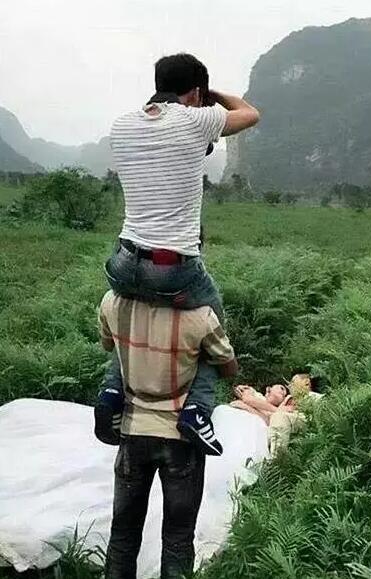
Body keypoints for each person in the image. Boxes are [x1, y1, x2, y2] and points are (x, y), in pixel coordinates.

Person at [98, 53, 260, 456]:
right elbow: (250, 114)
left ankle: (111, 392)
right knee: (211, 331)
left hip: (123, 263)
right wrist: (212, 96)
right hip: (173, 268)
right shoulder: (195, 119)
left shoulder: (122, 124)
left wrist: (197, 96)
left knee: (129, 323)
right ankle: (197, 410)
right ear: (196, 93)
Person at [97, 289, 238, 579]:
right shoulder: (201, 316)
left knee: (123, 533)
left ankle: (109, 395)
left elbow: (108, 345)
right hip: (180, 440)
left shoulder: (113, 302)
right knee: (178, 538)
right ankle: (194, 413)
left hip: (133, 432)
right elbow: (228, 367)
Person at [231, 374, 323, 455]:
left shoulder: (288, 407)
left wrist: (247, 407)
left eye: (293, 382)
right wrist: (277, 410)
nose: (287, 388)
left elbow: (271, 420)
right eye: (282, 388)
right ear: (268, 389)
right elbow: (247, 398)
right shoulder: (257, 395)